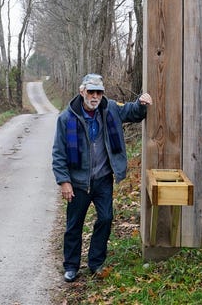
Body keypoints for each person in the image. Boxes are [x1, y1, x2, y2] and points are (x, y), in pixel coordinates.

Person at [52, 73, 152, 282]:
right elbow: (59, 154)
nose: (95, 96)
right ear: (82, 92)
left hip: (103, 179)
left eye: (99, 92)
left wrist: (142, 102)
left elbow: (132, 112)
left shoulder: (110, 109)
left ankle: (96, 262)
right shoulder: (66, 118)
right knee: (74, 225)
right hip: (78, 183)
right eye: (91, 91)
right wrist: (64, 181)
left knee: (106, 218)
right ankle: (71, 265)